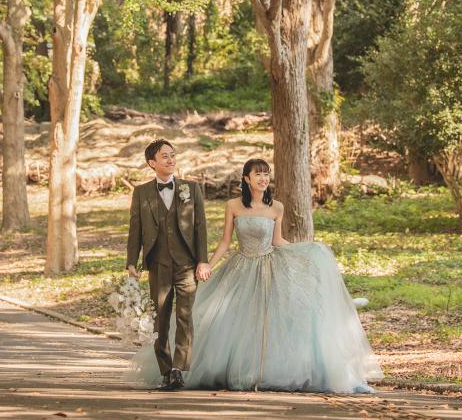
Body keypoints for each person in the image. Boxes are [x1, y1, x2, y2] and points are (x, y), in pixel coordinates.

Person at [130, 158, 382, 393]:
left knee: (269, 322)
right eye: (258, 174)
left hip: (269, 268)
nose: (263, 178)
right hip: (240, 267)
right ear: (246, 179)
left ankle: (265, 372)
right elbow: (226, 242)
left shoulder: (277, 208)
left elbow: (278, 241)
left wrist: (306, 252)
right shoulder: (233, 206)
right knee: (230, 320)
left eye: (266, 174)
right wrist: (206, 265)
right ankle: (204, 369)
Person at [125, 139, 208, 390]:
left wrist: (202, 260)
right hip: (158, 264)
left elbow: (200, 227)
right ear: (152, 163)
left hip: (186, 264)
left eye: (172, 155)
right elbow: (135, 229)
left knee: (185, 317)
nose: (171, 160)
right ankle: (165, 368)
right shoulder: (141, 193)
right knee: (160, 318)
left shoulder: (191, 189)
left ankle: (178, 370)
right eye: (165, 156)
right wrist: (132, 262)